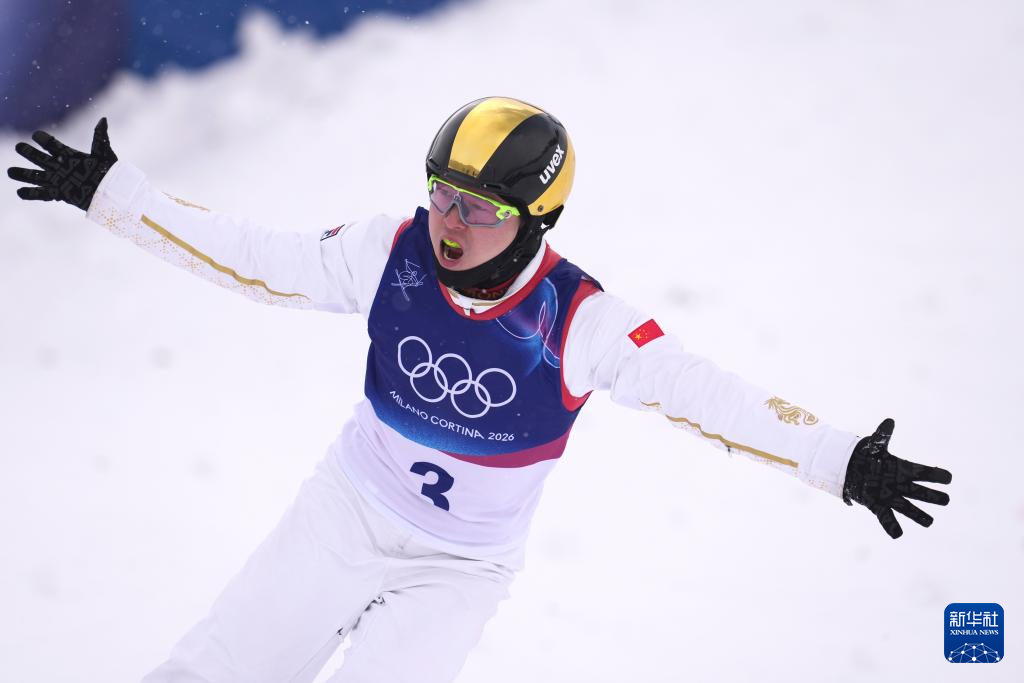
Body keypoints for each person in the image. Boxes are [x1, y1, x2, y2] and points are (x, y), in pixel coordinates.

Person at [7, 97, 952, 683]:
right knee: (213, 669)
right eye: (441, 192)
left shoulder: (578, 321)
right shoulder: (390, 251)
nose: (450, 222)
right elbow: (258, 260)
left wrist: (837, 458)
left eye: (480, 207)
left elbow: (706, 394)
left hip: (456, 570)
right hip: (344, 511)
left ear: (538, 216)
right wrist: (116, 196)